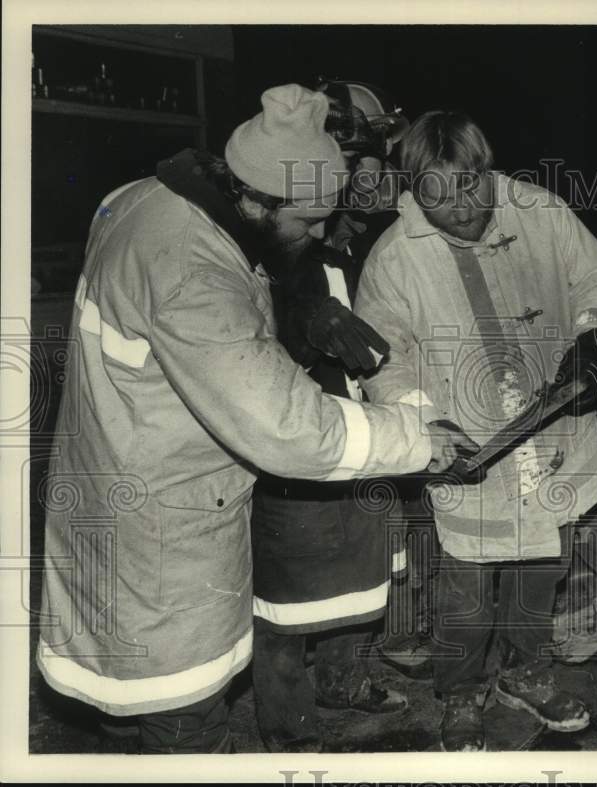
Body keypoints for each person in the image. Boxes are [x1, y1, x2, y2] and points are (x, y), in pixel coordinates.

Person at [36, 85, 475, 754]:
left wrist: (299, 314)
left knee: (141, 721)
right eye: (310, 221)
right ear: (262, 202)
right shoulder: (194, 272)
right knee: (187, 727)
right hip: (162, 541)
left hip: (114, 488)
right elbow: (291, 427)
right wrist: (416, 438)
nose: (324, 233)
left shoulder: (138, 200)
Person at [354, 110, 597, 751]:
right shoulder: (394, 260)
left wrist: (594, 335)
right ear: (413, 190)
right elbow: (385, 358)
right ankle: (461, 689)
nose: (460, 209)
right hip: (468, 444)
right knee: (467, 587)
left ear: (488, 170)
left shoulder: (541, 212)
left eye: (471, 185)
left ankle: (526, 674)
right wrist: (427, 421)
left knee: (542, 566)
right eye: (436, 195)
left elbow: (596, 277)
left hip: (552, 433)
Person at [248, 81, 426, 753]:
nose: (370, 180)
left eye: (377, 165)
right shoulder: (275, 222)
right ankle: (289, 728)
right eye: (359, 164)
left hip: (365, 423)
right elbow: (247, 312)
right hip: (294, 428)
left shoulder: (365, 233)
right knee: (290, 590)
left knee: (369, 559)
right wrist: (301, 318)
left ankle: (344, 679)